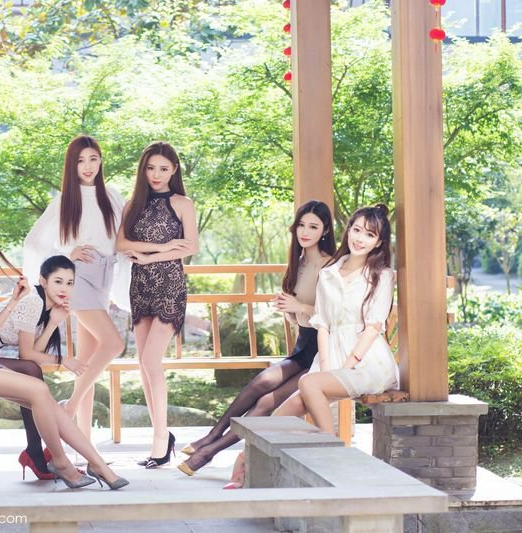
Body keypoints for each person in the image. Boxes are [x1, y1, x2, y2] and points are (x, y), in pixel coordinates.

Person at [0, 207, 128, 489]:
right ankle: (60, 463)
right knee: (38, 389)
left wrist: (12, 302)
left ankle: (98, 464)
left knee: (44, 399)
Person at [176, 200, 335, 478]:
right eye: (301, 225)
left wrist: (299, 306)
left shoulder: (330, 266)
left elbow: (333, 317)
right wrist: (289, 310)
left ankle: (208, 452)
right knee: (260, 382)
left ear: (325, 231)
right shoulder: (299, 263)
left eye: (313, 226)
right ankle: (211, 437)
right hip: (303, 345)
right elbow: (300, 318)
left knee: (266, 402)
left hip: (322, 352)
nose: (305, 231)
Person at [23, 135, 128, 444]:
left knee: (87, 362)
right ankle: (68, 407)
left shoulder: (112, 195)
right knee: (113, 343)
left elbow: (125, 235)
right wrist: (67, 255)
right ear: (72, 165)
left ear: (101, 161)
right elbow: (35, 242)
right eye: (81, 160)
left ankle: (84, 445)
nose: (88, 166)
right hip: (78, 276)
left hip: (103, 277)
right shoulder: (65, 199)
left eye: (93, 159)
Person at [271, 204, 398, 436]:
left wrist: (345, 367)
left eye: (369, 235)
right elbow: (323, 325)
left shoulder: (382, 275)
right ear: (348, 230)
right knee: (292, 405)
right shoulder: (328, 273)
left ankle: (329, 445)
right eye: (356, 230)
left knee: (308, 383)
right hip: (330, 354)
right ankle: (244, 455)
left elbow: (373, 328)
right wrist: (327, 368)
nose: (360, 239)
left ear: (379, 242)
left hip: (367, 361)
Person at [117, 141, 199, 469]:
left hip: (169, 287)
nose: (156, 174)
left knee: (151, 360)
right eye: (151, 168)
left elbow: (190, 246)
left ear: (174, 170)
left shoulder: (183, 203)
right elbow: (121, 243)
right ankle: (162, 436)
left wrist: (151, 255)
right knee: (143, 364)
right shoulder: (133, 204)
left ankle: (160, 440)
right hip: (140, 286)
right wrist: (162, 247)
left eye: (164, 169)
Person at [0, 255, 88, 480]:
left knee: (31, 371)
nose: (64, 288)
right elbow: (27, 355)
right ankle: (38, 452)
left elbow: (33, 353)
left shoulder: (47, 307)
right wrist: (63, 360)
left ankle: (36, 451)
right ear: (43, 281)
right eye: (58, 281)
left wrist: (53, 322)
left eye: (69, 283)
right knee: (31, 372)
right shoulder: (33, 300)